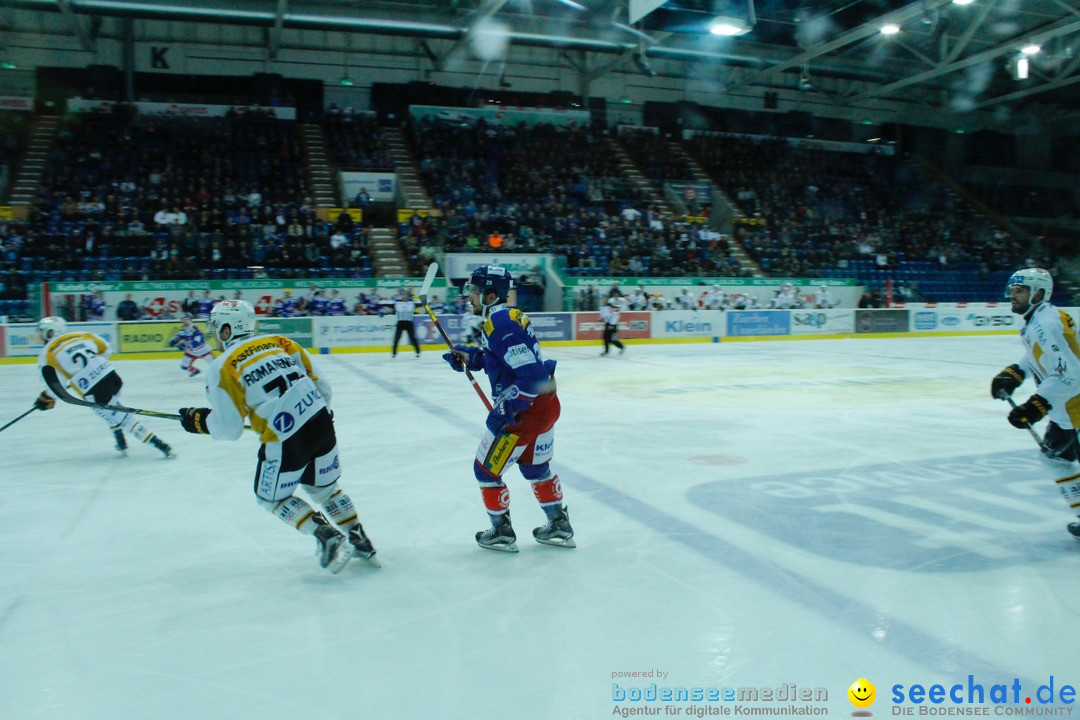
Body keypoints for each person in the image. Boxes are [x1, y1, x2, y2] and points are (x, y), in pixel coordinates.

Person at [176, 300, 376, 574]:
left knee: (271, 497)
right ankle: (359, 537)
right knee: (326, 489)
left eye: (215, 327)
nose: (213, 333)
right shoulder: (280, 342)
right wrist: (315, 414)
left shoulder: (222, 367)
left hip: (286, 435)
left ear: (227, 329)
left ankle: (325, 535)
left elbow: (229, 428)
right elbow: (322, 384)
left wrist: (199, 421)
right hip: (321, 421)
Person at [442, 265, 574, 552]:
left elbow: (531, 377)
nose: (470, 298)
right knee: (535, 466)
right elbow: (507, 361)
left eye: (475, 292)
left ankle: (501, 531)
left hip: (525, 410)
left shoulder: (500, 324)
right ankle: (559, 525)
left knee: (485, 470)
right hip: (545, 405)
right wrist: (471, 357)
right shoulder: (506, 318)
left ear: (490, 295)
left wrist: (506, 410)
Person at [991, 268, 1080, 538]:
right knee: (1054, 460)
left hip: (1077, 413)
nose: (1013, 296)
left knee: (1056, 459)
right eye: (1013, 290)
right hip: (1066, 413)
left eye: (1020, 291)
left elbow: (1071, 374)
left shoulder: (1048, 323)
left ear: (1038, 293)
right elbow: (1036, 357)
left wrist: (1036, 405)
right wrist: (1015, 373)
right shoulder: (1036, 321)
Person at [34, 316, 175, 458]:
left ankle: (161, 445)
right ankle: (120, 441)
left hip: (94, 389)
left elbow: (55, 385)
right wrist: (93, 366)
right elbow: (106, 348)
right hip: (112, 377)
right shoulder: (80, 335)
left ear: (51, 332)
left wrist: (45, 398)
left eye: (42, 332)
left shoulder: (47, 353)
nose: (40, 335)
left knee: (124, 419)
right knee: (111, 409)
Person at [167, 313, 215, 377]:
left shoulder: (194, 329)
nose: (184, 321)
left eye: (186, 319)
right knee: (184, 366)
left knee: (214, 364)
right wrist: (174, 341)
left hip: (202, 350)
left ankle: (221, 374)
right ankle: (195, 371)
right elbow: (180, 336)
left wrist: (185, 345)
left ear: (190, 319)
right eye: (183, 319)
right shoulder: (183, 329)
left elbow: (197, 341)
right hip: (191, 352)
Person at [391, 286, 420, 358]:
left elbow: (420, 303)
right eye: (403, 296)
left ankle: (417, 351)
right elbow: (388, 303)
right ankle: (394, 352)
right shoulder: (398, 304)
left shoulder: (411, 303)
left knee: (412, 338)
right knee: (397, 338)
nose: (405, 298)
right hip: (400, 322)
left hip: (409, 323)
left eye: (406, 296)